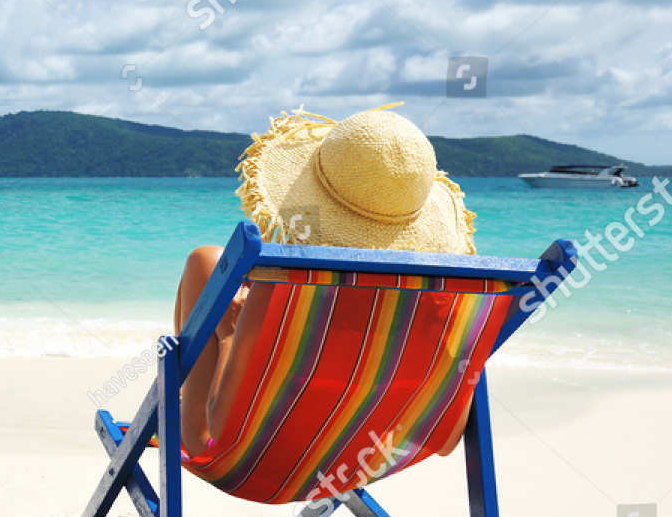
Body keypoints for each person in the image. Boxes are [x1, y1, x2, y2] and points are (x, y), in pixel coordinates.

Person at [175, 106, 477, 454]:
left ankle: (178, 397)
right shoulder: (445, 300)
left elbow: (218, 433)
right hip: (358, 462)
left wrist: (229, 331)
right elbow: (444, 441)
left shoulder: (284, 284)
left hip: (245, 461)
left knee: (206, 262)